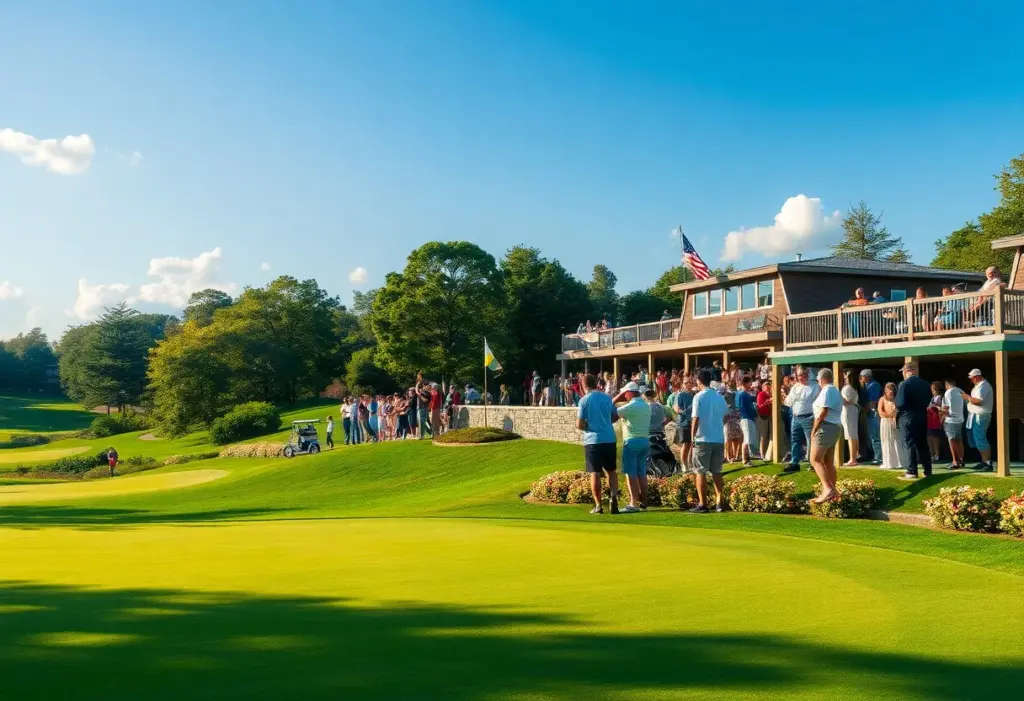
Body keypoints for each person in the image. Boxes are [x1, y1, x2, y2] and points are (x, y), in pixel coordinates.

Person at [576, 373, 620, 514]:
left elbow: (580, 424)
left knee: (594, 472)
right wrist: (606, 422)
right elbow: (615, 416)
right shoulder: (607, 398)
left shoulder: (584, 400)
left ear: (584, 385)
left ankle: (598, 505)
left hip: (592, 440)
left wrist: (588, 426)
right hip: (609, 438)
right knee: (611, 471)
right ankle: (613, 497)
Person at [689, 369, 729, 513]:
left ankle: (702, 504)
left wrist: (692, 437)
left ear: (699, 381)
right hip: (718, 438)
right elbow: (726, 416)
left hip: (703, 438)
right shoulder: (719, 397)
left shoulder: (698, 397)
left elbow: (695, 418)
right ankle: (719, 502)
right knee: (716, 471)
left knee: (700, 471)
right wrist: (718, 426)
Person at [613, 382, 652, 513]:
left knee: (630, 473)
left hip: (632, 441)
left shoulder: (630, 406)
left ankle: (633, 503)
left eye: (625, 393)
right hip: (645, 441)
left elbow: (610, 409)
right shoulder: (646, 405)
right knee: (641, 472)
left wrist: (617, 398)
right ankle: (644, 501)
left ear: (629, 392)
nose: (624, 396)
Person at [809, 368, 843, 503]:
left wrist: (814, 428)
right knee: (828, 461)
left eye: (818, 379)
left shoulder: (827, 390)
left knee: (815, 460)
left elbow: (823, 411)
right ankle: (833, 493)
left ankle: (828, 489)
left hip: (826, 427)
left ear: (821, 379)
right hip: (834, 427)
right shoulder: (835, 390)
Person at [894, 361, 932, 480]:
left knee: (909, 443)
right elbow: (928, 400)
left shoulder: (904, 384)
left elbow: (900, 403)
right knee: (922, 444)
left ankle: (911, 470)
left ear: (906, 371)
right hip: (922, 415)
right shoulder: (925, 384)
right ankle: (927, 469)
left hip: (907, 416)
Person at [783, 365, 818, 472]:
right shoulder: (795, 387)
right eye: (800, 375)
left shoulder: (814, 386)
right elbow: (788, 402)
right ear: (797, 376)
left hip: (809, 417)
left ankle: (813, 463)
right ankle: (795, 463)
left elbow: (817, 402)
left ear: (808, 374)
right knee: (795, 440)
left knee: (810, 441)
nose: (802, 377)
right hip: (795, 417)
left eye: (804, 374)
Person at [961, 368, 994, 471]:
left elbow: (978, 401)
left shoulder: (983, 386)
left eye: (973, 378)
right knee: (975, 438)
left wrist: (967, 397)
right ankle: (984, 461)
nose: (972, 380)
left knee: (980, 438)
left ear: (978, 376)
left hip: (980, 415)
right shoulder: (979, 385)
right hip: (975, 415)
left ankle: (988, 463)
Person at [878, 382, 908, 470]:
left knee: (896, 440)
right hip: (885, 422)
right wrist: (890, 415)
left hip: (895, 422)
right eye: (888, 389)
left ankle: (899, 462)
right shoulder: (882, 399)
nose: (890, 391)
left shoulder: (897, 399)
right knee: (887, 441)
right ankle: (889, 462)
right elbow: (880, 412)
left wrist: (895, 416)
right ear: (885, 390)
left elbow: (899, 411)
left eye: (892, 389)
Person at [940, 377, 966, 469]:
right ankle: (961, 460)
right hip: (960, 419)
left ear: (947, 384)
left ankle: (955, 461)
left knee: (951, 441)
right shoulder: (960, 391)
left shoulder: (948, 393)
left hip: (950, 419)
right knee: (959, 440)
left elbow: (945, 409)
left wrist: (940, 413)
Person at [859, 370, 883, 465]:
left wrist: (864, 413)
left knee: (875, 436)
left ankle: (879, 457)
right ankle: (874, 455)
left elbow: (873, 402)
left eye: (862, 376)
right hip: (869, 414)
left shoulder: (873, 385)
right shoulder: (866, 385)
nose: (861, 378)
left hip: (873, 414)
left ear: (867, 376)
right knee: (871, 436)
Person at [735, 376, 759, 465]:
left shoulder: (744, 393)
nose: (751, 384)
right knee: (747, 440)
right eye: (750, 382)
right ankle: (745, 459)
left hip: (748, 418)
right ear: (745, 383)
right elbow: (742, 407)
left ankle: (747, 458)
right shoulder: (742, 394)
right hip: (746, 418)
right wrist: (754, 413)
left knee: (748, 439)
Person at [840, 369, 860, 466]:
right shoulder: (853, 387)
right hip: (852, 410)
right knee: (852, 434)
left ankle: (853, 459)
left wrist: (839, 397)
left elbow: (847, 401)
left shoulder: (848, 388)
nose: (844, 377)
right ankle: (854, 456)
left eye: (845, 375)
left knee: (850, 435)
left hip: (848, 410)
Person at [674, 378, 695, 470]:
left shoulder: (695, 394)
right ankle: (684, 465)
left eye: (690, 382)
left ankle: (691, 463)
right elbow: (676, 408)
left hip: (694, 422)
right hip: (684, 423)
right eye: (686, 383)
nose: (688, 384)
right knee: (686, 445)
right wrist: (685, 412)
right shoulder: (680, 395)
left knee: (693, 445)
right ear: (683, 384)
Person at [927, 382, 944, 462]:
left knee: (935, 437)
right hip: (930, 419)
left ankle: (937, 454)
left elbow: (935, 406)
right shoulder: (932, 397)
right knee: (929, 437)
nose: (932, 390)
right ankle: (932, 454)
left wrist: (929, 407)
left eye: (934, 388)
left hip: (935, 419)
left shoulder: (939, 397)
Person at [756, 379, 773, 461]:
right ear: (763, 387)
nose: (768, 386)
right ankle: (762, 454)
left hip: (769, 417)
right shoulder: (761, 394)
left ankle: (767, 453)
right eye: (766, 385)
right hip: (763, 417)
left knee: (768, 436)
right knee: (763, 436)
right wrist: (767, 402)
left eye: (769, 385)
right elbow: (760, 407)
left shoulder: (770, 394)